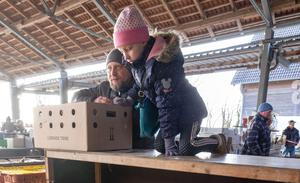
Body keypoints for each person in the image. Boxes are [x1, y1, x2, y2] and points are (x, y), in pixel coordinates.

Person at [112, 6, 228, 156]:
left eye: (128, 48)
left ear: (143, 41)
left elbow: (167, 104)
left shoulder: (163, 65)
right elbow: (139, 84)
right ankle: (182, 144)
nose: (125, 56)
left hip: (189, 110)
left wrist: (170, 140)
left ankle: (217, 141)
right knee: (159, 145)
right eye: (121, 51)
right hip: (172, 112)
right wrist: (129, 98)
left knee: (187, 147)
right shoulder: (138, 63)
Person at [72, 48, 153, 149]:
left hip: (141, 151)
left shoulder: (141, 87)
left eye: (118, 67)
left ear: (130, 69)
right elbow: (76, 97)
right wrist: (94, 100)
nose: (112, 73)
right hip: (109, 150)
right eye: (109, 68)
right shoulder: (104, 88)